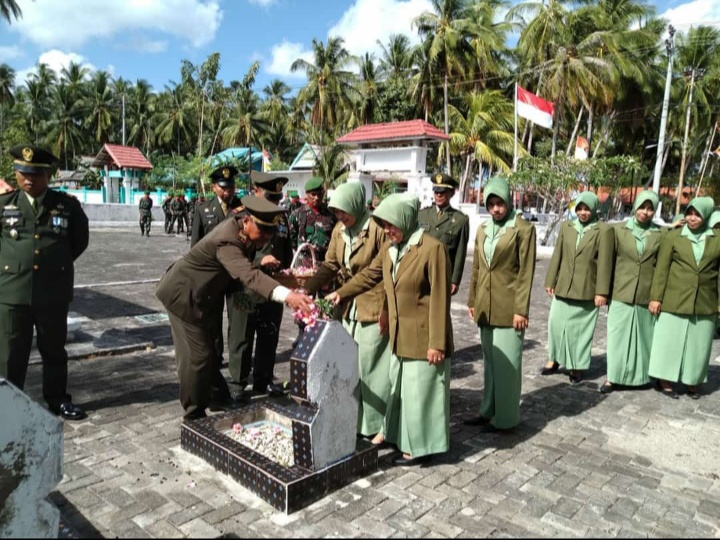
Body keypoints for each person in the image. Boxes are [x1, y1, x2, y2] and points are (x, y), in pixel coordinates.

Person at [156, 196, 315, 420]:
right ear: (248, 221)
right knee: (198, 356)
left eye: (270, 232)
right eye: (263, 231)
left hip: (205, 296)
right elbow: (248, 275)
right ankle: (194, 413)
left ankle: (218, 398)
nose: (267, 238)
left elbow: (242, 267)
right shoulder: (228, 239)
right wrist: (288, 295)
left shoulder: (243, 231)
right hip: (184, 296)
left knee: (208, 352)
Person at [327, 193, 453, 466]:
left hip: (424, 336)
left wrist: (437, 342)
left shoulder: (432, 248)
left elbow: (441, 298)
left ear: (405, 220)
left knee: (422, 393)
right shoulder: (391, 250)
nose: (387, 231)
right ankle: (401, 438)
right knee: (402, 390)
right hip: (399, 334)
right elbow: (370, 275)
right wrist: (341, 293)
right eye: (383, 225)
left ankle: (421, 447)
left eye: (391, 225)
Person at [0, 144, 89, 420]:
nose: (29, 179)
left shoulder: (67, 206)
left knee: (53, 350)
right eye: (23, 172)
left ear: (48, 174)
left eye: (36, 174)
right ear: (16, 173)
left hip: (53, 292)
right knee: (10, 353)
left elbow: (79, 241)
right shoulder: (4, 205)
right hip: (13, 292)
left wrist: (55, 265)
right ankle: (8, 404)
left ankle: (57, 399)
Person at [304, 182, 392, 440]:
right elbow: (331, 263)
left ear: (356, 204)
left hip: (372, 305)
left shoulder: (377, 228)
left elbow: (377, 273)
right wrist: (309, 288)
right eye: (337, 211)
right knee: (349, 366)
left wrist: (385, 309)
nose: (340, 217)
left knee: (371, 368)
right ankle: (353, 419)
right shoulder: (340, 231)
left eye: (344, 211)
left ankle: (375, 424)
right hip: (347, 308)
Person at [464, 178, 536, 432]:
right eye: (491, 204)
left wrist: (521, 310)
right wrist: (472, 300)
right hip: (485, 305)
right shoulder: (483, 229)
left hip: (509, 307)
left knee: (508, 365)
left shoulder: (522, 229)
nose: (496, 208)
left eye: (500, 203)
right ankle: (487, 410)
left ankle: (505, 418)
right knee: (490, 362)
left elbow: (526, 273)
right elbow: (476, 268)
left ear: (509, 201)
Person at [648, 196, 720, 399]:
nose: (692, 218)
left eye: (697, 214)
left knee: (699, 344)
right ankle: (664, 380)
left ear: (706, 215)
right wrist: (656, 298)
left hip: (705, 301)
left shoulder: (716, 238)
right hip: (674, 298)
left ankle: (692, 381)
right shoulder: (674, 236)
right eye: (689, 213)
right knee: (669, 341)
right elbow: (661, 269)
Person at [229, 172, 293, 399]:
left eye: (276, 199)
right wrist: (259, 261)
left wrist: (288, 274)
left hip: (272, 291)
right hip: (244, 290)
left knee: (269, 338)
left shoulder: (281, 219)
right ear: (256, 191)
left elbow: (287, 253)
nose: (273, 203)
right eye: (269, 197)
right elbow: (231, 255)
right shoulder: (241, 217)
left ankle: (263, 381)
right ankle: (237, 385)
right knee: (241, 337)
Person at [543, 192, 612, 384]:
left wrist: (601, 292)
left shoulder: (603, 230)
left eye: (586, 208)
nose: (582, 212)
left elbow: (605, 263)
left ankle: (576, 366)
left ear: (593, 209)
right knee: (555, 324)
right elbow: (558, 253)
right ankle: (554, 358)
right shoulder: (567, 226)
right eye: (579, 208)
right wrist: (551, 279)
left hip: (586, 289)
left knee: (580, 331)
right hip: (564, 285)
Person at [600, 190, 663, 394]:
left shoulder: (660, 234)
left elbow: (660, 268)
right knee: (617, 336)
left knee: (643, 338)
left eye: (650, 208)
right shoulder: (618, 230)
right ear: (635, 205)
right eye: (642, 206)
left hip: (645, 295)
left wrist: (656, 296)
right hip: (621, 291)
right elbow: (606, 263)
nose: (645, 212)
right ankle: (613, 377)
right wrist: (602, 291)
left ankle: (641, 377)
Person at [190, 166, 243, 408]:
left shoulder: (243, 209)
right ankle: (215, 368)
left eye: (231, 187)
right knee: (211, 326)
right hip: (212, 277)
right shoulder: (203, 210)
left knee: (238, 326)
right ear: (214, 187)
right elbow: (195, 248)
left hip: (235, 277)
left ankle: (237, 376)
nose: (227, 191)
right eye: (223, 187)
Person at [418, 173, 470, 295]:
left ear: (452, 193)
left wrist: (455, 280)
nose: (439, 195)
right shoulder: (422, 215)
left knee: (440, 311)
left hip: (443, 274)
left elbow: (460, 253)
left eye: (443, 192)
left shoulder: (460, 220)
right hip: (420, 271)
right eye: (436, 192)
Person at [289, 177, 337, 267]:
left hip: (325, 264)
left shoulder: (331, 214)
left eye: (320, 194)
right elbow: (292, 239)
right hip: (303, 265)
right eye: (313, 194)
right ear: (306, 194)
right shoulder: (297, 214)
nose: (317, 198)